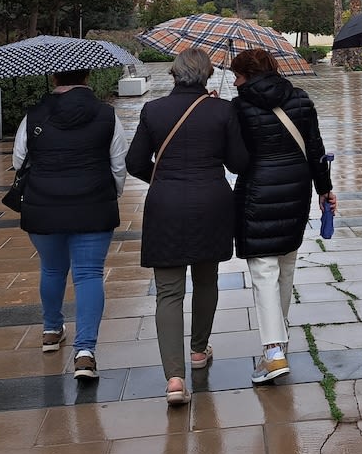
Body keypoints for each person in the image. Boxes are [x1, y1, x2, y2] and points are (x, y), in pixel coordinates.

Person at [126, 48, 249, 406]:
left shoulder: (153, 111)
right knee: (207, 278)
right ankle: (198, 351)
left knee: (168, 292)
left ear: (174, 74)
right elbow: (239, 162)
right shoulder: (222, 110)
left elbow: (135, 162)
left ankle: (175, 379)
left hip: (165, 203)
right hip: (211, 201)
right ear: (208, 74)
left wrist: (161, 179)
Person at [13, 68, 128, 383]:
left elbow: (18, 160)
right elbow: (119, 163)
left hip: (43, 206)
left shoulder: (33, 116)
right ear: (88, 76)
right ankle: (85, 351)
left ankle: (52, 330)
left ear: (53, 79)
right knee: (88, 274)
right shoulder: (107, 115)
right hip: (93, 206)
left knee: (51, 269)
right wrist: (111, 192)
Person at [230, 49, 336, 384]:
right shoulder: (301, 99)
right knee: (286, 266)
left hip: (257, 193)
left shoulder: (238, 107)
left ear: (247, 74)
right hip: (296, 190)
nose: (235, 81)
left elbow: (236, 161)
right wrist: (324, 189)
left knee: (263, 271)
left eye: (237, 74)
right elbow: (316, 149)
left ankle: (273, 352)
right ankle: (280, 341)